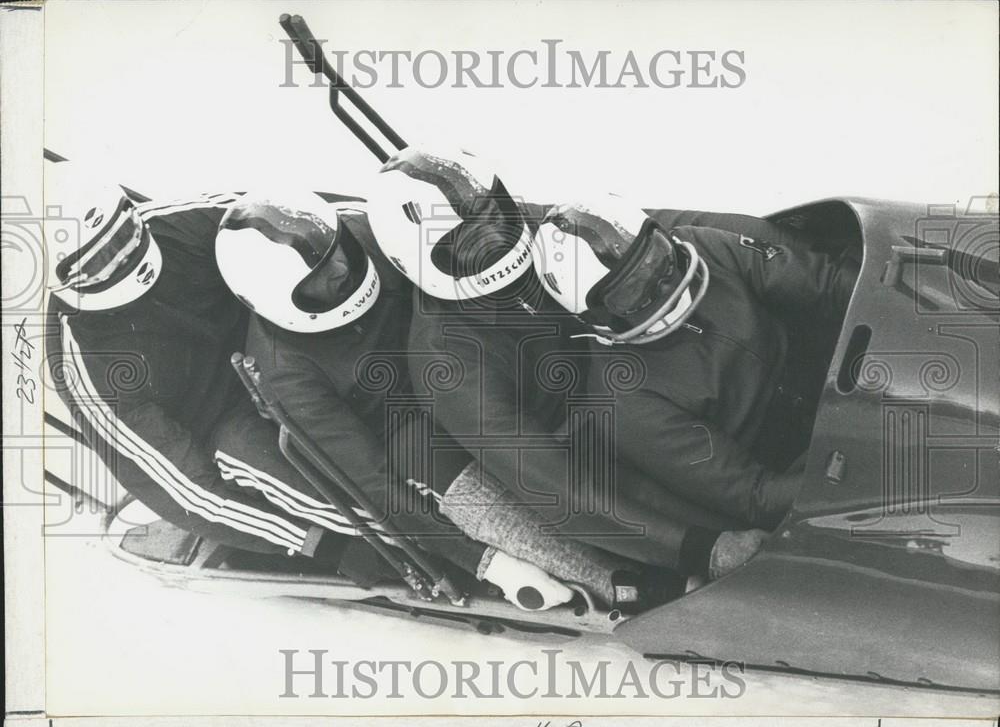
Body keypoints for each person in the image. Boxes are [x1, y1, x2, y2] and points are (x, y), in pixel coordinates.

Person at [368, 145, 769, 595]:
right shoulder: (448, 362)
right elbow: (547, 480)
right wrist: (699, 548)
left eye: (493, 218)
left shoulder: (529, 228)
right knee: (749, 517)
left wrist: (773, 239)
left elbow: (649, 226)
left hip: (637, 375)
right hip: (592, 451)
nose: (493, 240)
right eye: (469, 243)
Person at [213, 190, 578, 610]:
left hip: (462, 366)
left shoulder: (367, 236)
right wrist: (488, 563)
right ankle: (607, 574)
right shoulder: (284, 370)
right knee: (424, 458)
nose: (341, 268)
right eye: (318, 275)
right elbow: (370, 481)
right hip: (410, 435)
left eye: (338, 251)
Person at [529, 195, 860, 534]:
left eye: (656, 258)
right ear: (599, 314)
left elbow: (826, 283)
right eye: (633, 290)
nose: (666, 283)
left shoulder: (698, 245)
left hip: (847, 366)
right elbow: (754, 495)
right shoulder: (624, 402)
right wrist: (851, 470)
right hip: (804, 453)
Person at [43, 162, 323, 559]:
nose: (123, 263)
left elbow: (314, 222)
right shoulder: (84, 365)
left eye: (124, 240)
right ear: (67, 279)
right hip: (227, 429)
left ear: (133, 216)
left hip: (290, 352)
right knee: (269, 457)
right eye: (99, 263)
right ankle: (396, 541)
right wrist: (317, 544)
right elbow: (183, 488)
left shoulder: (185, 223)